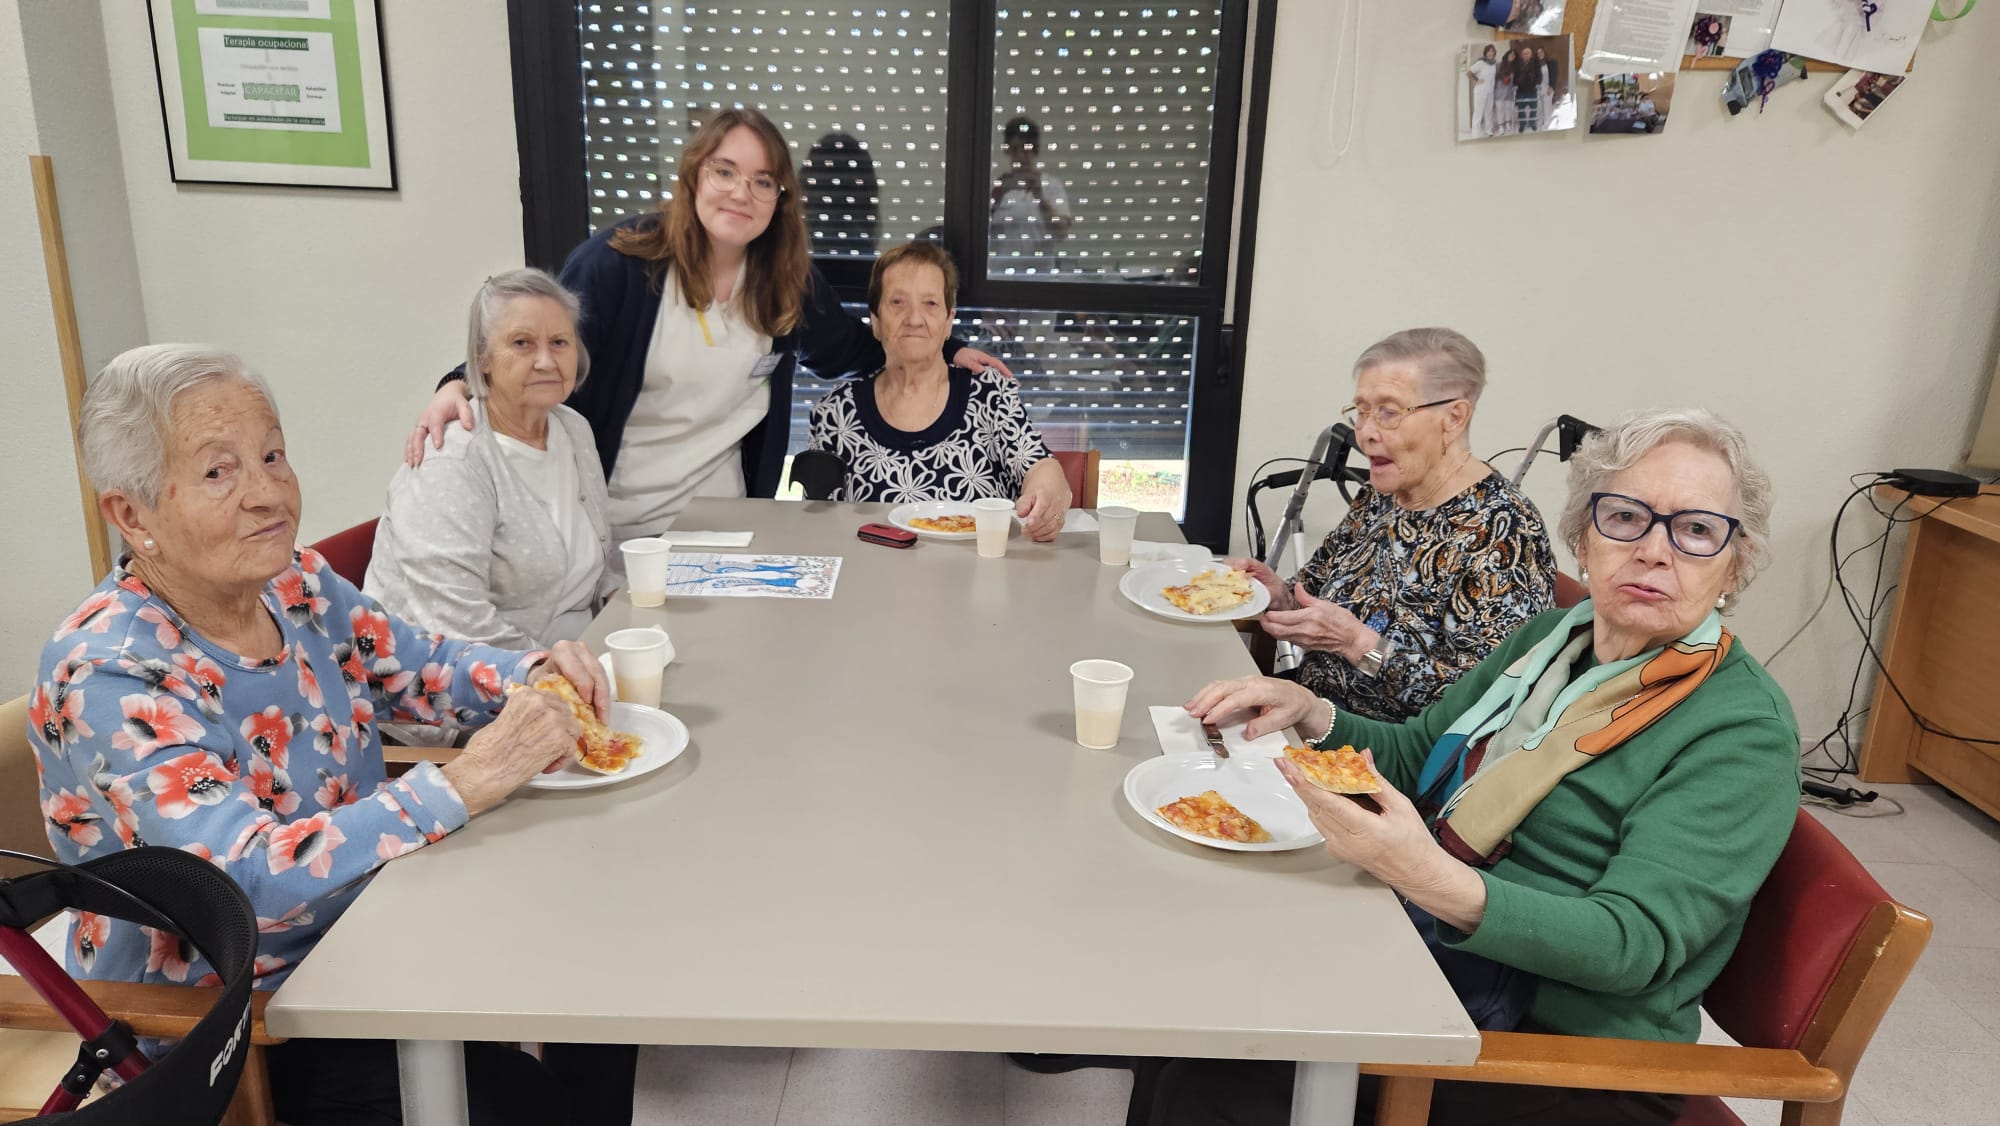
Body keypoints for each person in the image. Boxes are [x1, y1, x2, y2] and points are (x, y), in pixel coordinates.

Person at [1136, 407, 1801, 1126]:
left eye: (1696, 529)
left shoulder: (1741, 729)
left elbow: (1629, 946)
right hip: (1437, 959)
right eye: (1626, 517)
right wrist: (1307, 710)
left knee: (1215, 1084)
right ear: (1584, 536)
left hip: (1569, 1053)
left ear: (1736, 562)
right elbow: (1420, 754)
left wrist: (1422, 873)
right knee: (1188, 1001)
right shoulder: (1553, 639)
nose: (1653, 551)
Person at [35, 345, 619, 1125]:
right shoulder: (109, 674)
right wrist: (461, 783)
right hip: (243, 1019)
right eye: (219, 471)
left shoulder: (295, 584)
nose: (266, 492)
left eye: (272, 455)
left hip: (376, 925)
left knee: (598, 975)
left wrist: (536, 674)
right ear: (132, 515)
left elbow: (421, 667)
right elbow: (242, 879)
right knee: (520, 1104)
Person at [408, 108, 1011, 542]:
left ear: (779, 198)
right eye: (725, 172)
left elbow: (851, 347)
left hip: (725, 526)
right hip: (610, 523)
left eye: (762, 181)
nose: (741, 193)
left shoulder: (786, 278)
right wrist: (461, 383)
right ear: (696, 175)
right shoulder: (618, 265)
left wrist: (949, 348)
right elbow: (542, 347)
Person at [1234, 328, 1555, 723]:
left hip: (1388, 750)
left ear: (1454, 417)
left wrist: (1357, 644)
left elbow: (1488, 701)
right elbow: (1313, 594)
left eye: (1388, 412)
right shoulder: (1381, 494)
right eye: (1361, 411)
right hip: (1309, 712)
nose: (1366, 433)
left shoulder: (1503, 531)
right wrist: (1277, 595)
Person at [368, 270, 610, 657]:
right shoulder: (452, 461)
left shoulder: (573, 429)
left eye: (560, 342)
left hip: (578, 653)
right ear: (482, 360)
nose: (546, 361)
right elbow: (456, 623)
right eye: (522, 343)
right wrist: (552, 671)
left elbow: (592, 570)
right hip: (470, 675)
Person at [807, 241, 1071, 538]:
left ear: (948, 322)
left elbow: (1040, 466)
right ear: (875, 321)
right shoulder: (834, 414)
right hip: (874, 566)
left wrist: (1047, 496)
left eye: (930, 304)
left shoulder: (989, 394)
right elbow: (820, 530)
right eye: (897, 302)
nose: (914, 319)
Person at [988, 114, 1072, 275]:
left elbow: (1061, 234)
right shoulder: (996, 186)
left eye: (1026, 149)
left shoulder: (1052, 186)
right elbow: (977, 236)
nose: (1020, 157)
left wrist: (1040, 197)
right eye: (1015, 150)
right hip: (999, 278)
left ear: (1035, 150)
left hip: (1040, 279)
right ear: (1007, 151)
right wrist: (994, 201)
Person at [1466, 45, 1498, 137]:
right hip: (1480, 91)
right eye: (1488, 51)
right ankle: (1475, 133)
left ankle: (1488, 130)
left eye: (1492, 51)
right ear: (1485, 53)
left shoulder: (1493, 64)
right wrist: (1476, 81)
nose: (1490, 53)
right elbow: (1469, 73)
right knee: (1478, 112)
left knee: (1489, 112)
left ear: (1494, 53)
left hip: (1490, 92)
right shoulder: (1480, 63)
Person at [1514, 49, 1543, 132]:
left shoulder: (1536, 63)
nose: (1526, 55)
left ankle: (1532, 123)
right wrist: (1515, 84)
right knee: (1521, 109)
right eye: (1524, 53)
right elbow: (1515, 76)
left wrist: (1537, 83)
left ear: (1531, 54)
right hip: (1521, 90)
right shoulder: (1518, 64)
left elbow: (1539, 74)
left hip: (1532, 89)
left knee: (1533, 108)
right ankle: (1522, 125)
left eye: (1528, 53)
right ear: (1522, 55)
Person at [1494, 51, 1518, 135]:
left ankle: (1507, 123)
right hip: (1499, 91)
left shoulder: (1514, 67)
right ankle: (1501, 126)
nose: (1512, 56)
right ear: (1507, 55)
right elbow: (1494, 78)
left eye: (1514, 55)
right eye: (1511, 55)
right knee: (1500, 109)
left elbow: (1515, 80)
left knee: (1508, 108)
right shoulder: (1498, 65)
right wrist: (1503, 76)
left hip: (1509, 91)